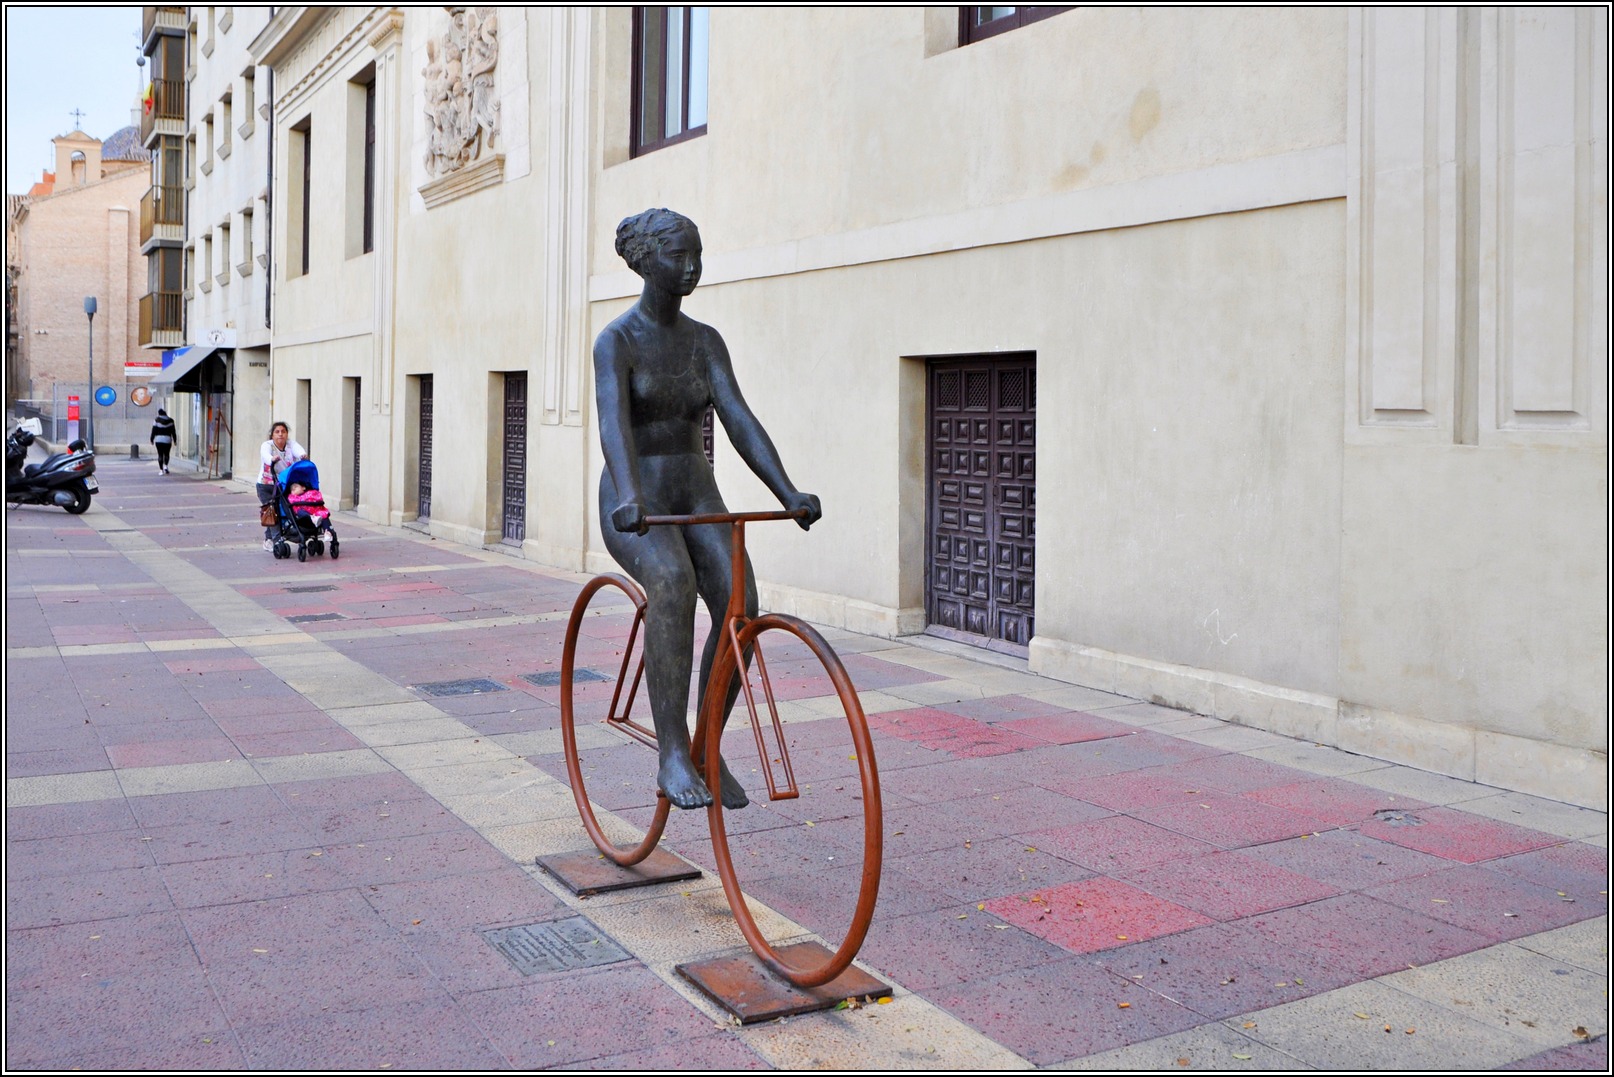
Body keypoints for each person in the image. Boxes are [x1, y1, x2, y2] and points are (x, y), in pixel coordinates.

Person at [594, 208, 821, 811]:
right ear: (646, 260)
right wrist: (630, 496)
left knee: (741, 602)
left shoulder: (704, 341)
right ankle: (671, 750)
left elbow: (739, 419)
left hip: (696, 492)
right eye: (678, 256)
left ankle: (706, 743)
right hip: (634, 497)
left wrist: (787, 492)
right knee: (671, 580)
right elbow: (613, 425)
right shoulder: (616, 341)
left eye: (697, 255)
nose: (691, 268)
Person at [258, 421, 306, 551]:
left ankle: (269, 539)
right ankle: (276, 540)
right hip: (266, 485)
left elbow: (299, 451)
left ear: (287, 434)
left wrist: (302, 455)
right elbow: (266, 455)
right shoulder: (267, 445)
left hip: (283, 484)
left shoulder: (290, 445)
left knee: (279, 511)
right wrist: (272, 459)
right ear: (272, 435)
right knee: (271, 510)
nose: (280, 434)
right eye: (277, 432)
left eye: (283, 432)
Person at [149, 408, 176, 474]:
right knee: (167, 454)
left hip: (158, 440)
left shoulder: (156, 420)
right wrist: (175, 440)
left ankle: (161, 470)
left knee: (160, 454)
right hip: (167, 439)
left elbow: (154, 430)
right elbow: (173, 431)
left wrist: (151, 439)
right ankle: (166, 466)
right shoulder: (171, 420)